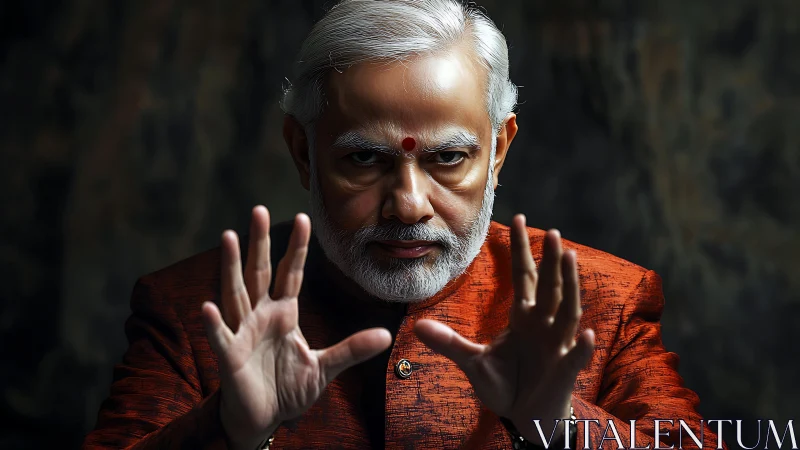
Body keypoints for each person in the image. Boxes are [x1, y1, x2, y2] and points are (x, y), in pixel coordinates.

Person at [83, 1, 725, 449]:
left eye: (448, 157)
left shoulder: (602, 305)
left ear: (498, 149)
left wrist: (558, 424)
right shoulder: (195, 314)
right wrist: (230, 431)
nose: (409, 204)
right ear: (303, 153)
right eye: (364, 158)